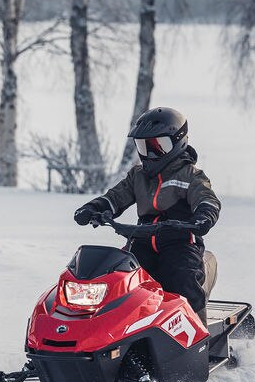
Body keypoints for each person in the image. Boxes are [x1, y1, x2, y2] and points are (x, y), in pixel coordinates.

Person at [73, 107, 221, 322]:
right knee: (118, 281)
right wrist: (93, 208)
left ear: (178, 142)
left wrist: (204, 216)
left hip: (179, 241)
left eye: (158, 146)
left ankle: (199, 338)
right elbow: (116, 197)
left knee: (181, 279)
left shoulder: (190, 175)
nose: (150, 154)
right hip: (141, 241)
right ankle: (110, 332)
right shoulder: (138, 176)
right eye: (144, 147)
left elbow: (206, 198)